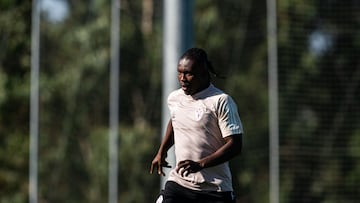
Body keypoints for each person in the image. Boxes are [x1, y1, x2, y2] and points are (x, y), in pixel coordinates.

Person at [150, 48, 244, 203]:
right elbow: (175, 121)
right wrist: (162, 151)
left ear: (203, 73)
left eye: (188, 73)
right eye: (179, 73)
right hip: (180, 183)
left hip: (214, 189)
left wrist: (200, 164)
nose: (182, 78)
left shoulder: (220, 101)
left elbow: (235, 145)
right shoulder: (175, 98)